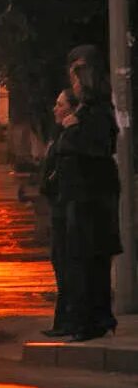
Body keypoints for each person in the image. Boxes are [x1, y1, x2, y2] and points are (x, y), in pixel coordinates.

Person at [57, 45, 122, 341]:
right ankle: (89, 318)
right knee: (82, 260)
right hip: (81, 196)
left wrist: (72, 131)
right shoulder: (85, 110)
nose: (74, 84)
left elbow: (97, 147)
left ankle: (92, 320)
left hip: (92, 197)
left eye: (78, 76)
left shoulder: (97, 111)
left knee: (89, 260)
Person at [38, 88, 79, 337]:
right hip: (59, 209)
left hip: (67, 210)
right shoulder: (60, 133)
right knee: (61, 265)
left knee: (67, 266)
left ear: (71, 109)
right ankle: (63, 321)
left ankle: (68, 321)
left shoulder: (71, 135)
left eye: (60, 104)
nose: (55, 108)